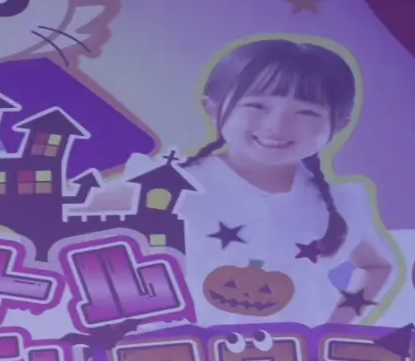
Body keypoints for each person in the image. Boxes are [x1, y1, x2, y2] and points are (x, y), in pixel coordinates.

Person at [93, 38, 397, 329]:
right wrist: (126, 322)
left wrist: (334, 330)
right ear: (213, 109)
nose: (277, 126)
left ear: (339, 124)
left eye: (306, 112)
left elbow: (378, 266)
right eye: (257, 106)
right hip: (181, 355)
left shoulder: (342, 204)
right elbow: (76, 225)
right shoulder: (167, 184)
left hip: (289, 360)